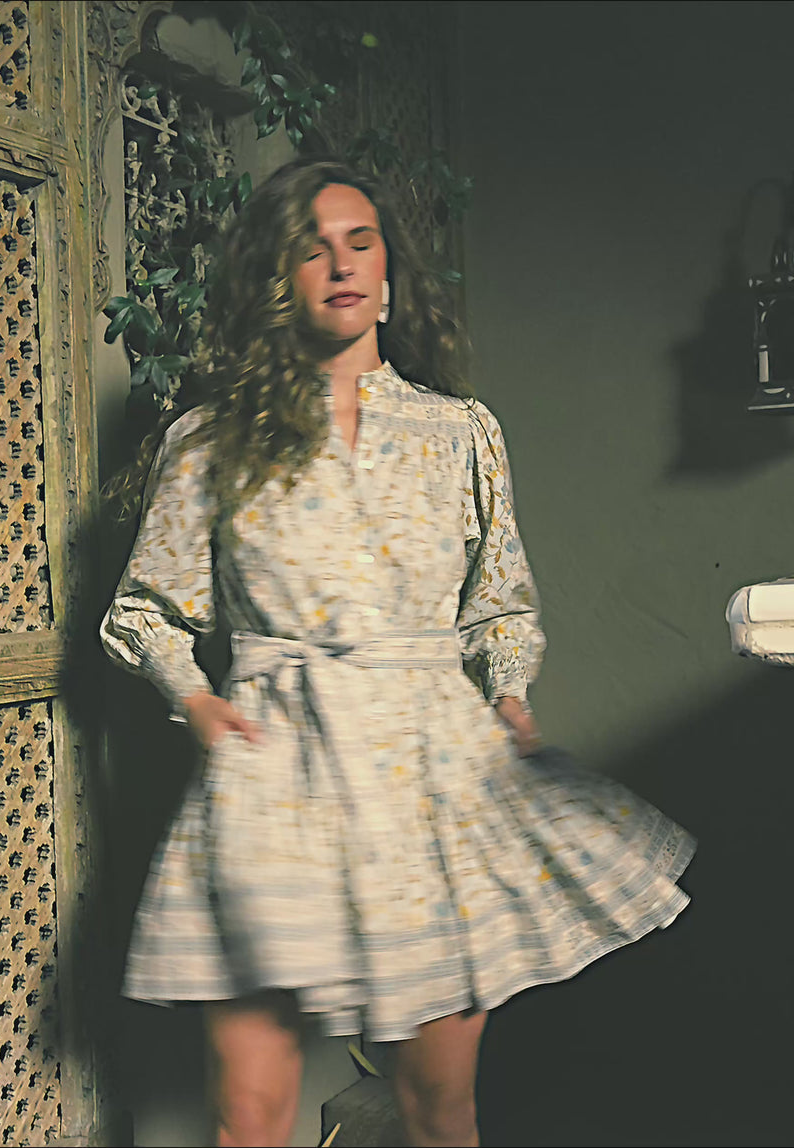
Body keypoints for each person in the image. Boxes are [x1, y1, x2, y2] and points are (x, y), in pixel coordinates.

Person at [101, 157, 694, 1148]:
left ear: (386, 272)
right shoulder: (209, 440)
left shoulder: (459, 433)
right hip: (275, 773)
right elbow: (145, 608)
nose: (340, 264)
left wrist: (508, 695)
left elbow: (499, 602)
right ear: (276, 278)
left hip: (430, 775)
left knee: (438, 1108)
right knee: (247, 1113)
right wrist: (198, 703)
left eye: (360, 241)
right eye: (311, 248)